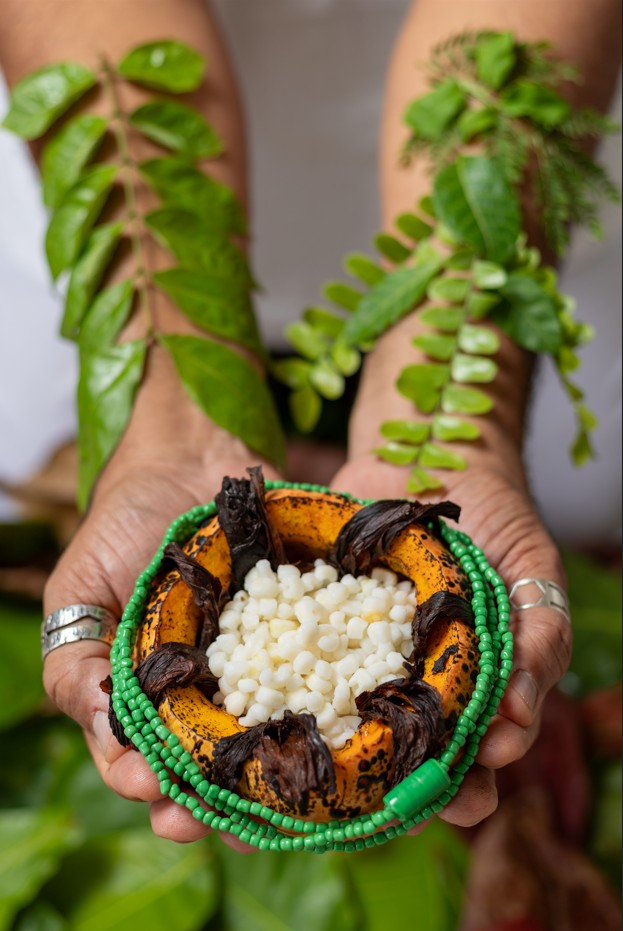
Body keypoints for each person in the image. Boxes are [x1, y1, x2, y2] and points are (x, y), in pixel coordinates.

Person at [0, 0, 620, 847]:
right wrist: (175, 415)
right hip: (135, 184)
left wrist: (456, 411)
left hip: (495, 159)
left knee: (589, 491)